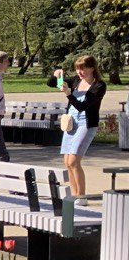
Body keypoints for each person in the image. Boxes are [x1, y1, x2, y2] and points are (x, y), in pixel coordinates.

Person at [48, 54, 106, 200]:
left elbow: (82, 106)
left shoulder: (99, 85)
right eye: (77, 69)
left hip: (85, 124)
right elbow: (51, 83)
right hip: (70, 123)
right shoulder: (75, 81)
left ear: (92, 68)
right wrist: (57, 75)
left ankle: (81, 197)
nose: (79, 72)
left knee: (74, 161)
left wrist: (68, 93)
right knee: (67, 162)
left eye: (83, 69)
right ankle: (74, 196)